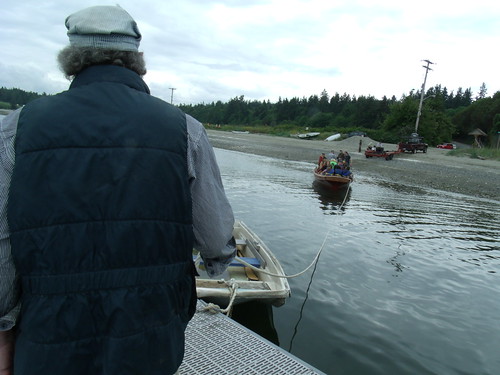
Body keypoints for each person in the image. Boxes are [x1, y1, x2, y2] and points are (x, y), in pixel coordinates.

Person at [0, 5, 236, 375]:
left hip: (48, 330)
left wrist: (3, 327)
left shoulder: (18, 127)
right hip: (152, 331)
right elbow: (215, 237)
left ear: (71, 60)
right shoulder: (185, 130)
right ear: (135, 58)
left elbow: (3, 240)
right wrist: (217, 265)